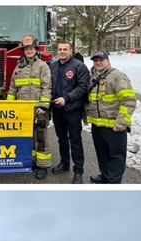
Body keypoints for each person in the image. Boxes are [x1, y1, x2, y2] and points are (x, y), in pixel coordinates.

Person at [85, 50, 136, 184]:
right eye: (95, 60)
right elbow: (90, 100)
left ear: (108, 61)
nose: (98, 63)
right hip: (98, 125)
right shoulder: (93, 78)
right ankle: (105, 176)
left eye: (101, 60)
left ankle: (113, 182)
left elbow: (129, 101)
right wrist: (86, 115)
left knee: (116, 156)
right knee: (102, 154)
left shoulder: (118, 77)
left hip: (114, 127)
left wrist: (120, 123)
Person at [7, 35, 52, 179]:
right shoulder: (19, 67)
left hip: (38, 110)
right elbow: (13, 88)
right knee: (29, 138)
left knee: (41, 138)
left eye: (31, 48)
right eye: (26, 49)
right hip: (23, 110)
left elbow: (47, 87)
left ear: (35, 50)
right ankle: (32, 161)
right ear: (23, 51)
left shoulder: (42, 66)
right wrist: (9, 106)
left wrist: (43, 107)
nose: (29, 51)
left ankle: (43, 165)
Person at [50, 41, 90, 184]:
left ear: (70, 51)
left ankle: (78, 171)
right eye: (60, 49)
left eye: (65, 49)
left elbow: (82, 87)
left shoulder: (79, 67)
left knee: (75, 140)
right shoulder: (53, 66)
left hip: (72, 110)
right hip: (57, 110)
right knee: (61, 139)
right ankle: (64, 163)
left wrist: (66, 99)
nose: (62, 51)